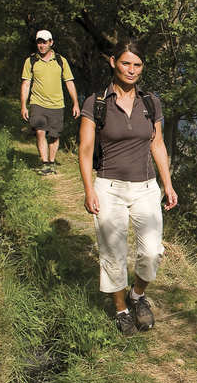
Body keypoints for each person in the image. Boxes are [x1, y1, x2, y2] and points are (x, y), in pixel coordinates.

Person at [78, 39, 179, 335]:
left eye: (137, 65)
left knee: (151, 252)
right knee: (113, 252)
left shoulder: (150, 102)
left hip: (146, 187)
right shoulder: (96, 102)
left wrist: (168, 185)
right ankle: (121, 309)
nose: (131, 70)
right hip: (109, 187)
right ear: (113, 62)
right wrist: (88, 189)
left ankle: (137, 294)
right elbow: (85, 150)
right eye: (125, 63)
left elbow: (157, 144)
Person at [20, 29, 80, 175]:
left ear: (51, 43)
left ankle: (52, 162)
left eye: (45, 42)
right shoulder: (31, 61)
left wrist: (76, 103)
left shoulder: (60, 61)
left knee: (54, 135)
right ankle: (45, 162)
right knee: (40, 132)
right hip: (37, 103)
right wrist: (23, 106)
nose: (42, 45)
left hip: (57, 104)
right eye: (39, 42)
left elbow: (69, 82)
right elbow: (26, 84)